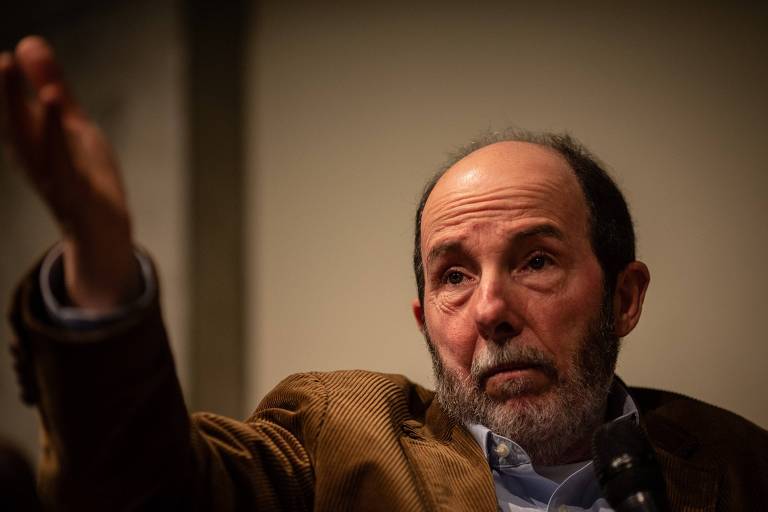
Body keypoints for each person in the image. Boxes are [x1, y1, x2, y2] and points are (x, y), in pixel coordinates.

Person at [1, 36, 766, 512]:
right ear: (424, 319)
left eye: (535, 261)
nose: (490, 308)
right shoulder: (342, 438)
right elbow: (140, 492)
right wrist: (100, 277)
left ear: (624, 297)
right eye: (454, 277)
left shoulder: (738, 464)